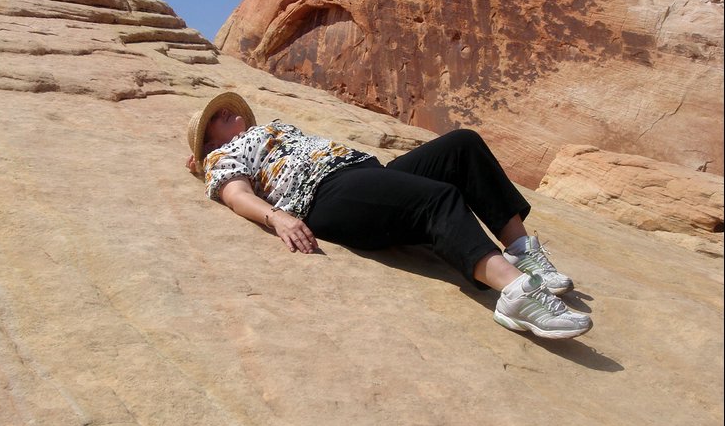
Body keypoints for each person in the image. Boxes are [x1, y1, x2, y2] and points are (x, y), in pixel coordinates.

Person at [185, 92, 593, 340]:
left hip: (366, 175)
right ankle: (516, 293)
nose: (224, 114)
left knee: (461, 145)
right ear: (209, 143)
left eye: (224, 110)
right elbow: (236, 194)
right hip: (325, 196)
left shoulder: (270, 129)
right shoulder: (223, 155)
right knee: (438, 198)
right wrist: (278, 218)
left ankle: (521, 249)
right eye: (215, 120)